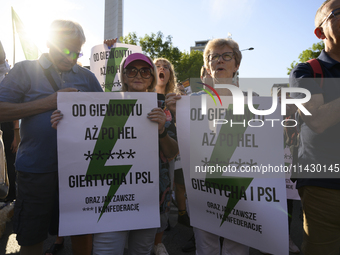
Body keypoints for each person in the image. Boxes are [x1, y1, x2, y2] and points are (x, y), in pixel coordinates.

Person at [51, 52, 178, 255]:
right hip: (108, 199)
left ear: (152, 77)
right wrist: (66, 126)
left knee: (142, 251)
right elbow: (87, 141)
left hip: (147, 198)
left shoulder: (162, 109)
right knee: (106, 250)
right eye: (131, 71)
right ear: (123, 76)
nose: (138, 75)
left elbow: (172, 154)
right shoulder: (103, 104)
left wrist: (162, 131)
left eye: (145, 71)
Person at [0, 20, 103, 255]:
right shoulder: (25, 70)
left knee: (81, 231)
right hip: (36, 171)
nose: (70, 57)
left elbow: (107, 115)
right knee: (31, 236)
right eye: (65, 50)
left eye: (76, 52)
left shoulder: (87, 78)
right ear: (49, 43)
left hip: (80, 172)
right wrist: (49, 102)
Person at [166, 38, 249, 255]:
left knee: (237, 243)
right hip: (203, 182)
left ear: (236, 64)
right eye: (213, 57)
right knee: (206, 243)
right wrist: (176, 113)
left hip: (239, 182)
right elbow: (186, 138)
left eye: (226, 56)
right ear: (208, 65)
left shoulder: (253, 101)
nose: (219, 60)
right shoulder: (191, 100)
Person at [289, 0, 340, 254]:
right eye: (339, 12)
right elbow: (317, 120)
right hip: (325, 187)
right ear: (320, 32)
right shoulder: (305, 71)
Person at [153, 57, 177, 255]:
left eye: (166, 68)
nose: (162, 69)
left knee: (164, 196)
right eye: (157, 66)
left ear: (169, 75)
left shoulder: (176, 100)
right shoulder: (138, 96)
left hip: (166, 160)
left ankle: (158, 243)